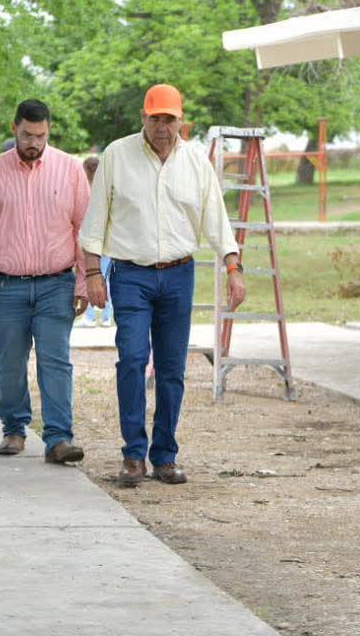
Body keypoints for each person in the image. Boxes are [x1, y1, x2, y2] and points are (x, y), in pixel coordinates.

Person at [80, 84, 246, 487]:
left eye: (169, 119)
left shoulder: (195, 162)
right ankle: (133, 455)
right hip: (130, 275)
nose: (162, 127)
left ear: (180, 121)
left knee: (172, 368)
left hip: (178, 275)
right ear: (144, 117)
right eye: (155, 118)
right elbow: (96, 217)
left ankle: (165, 455)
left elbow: (215, 217)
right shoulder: (117, 155)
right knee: (132, 359)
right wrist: (92, 273)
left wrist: (233, 266)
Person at [0, 99, 89, 461]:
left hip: (56, 284)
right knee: (10, 362)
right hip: (6, 286)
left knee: (56, 361)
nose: (33, 142)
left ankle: (59, 438)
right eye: (27, 135)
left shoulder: (69, 169)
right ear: (14, 128)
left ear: (49, 131)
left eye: (40, 136)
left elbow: (84, 228)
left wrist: (84, 281)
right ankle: (14, 430)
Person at [79, 155, 115, 329]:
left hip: (96, 243)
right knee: (104, 279)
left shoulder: (89, 191)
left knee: (93, 278)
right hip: (107, 243)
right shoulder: (106, 188)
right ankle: (106, 316)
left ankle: (92, 315)